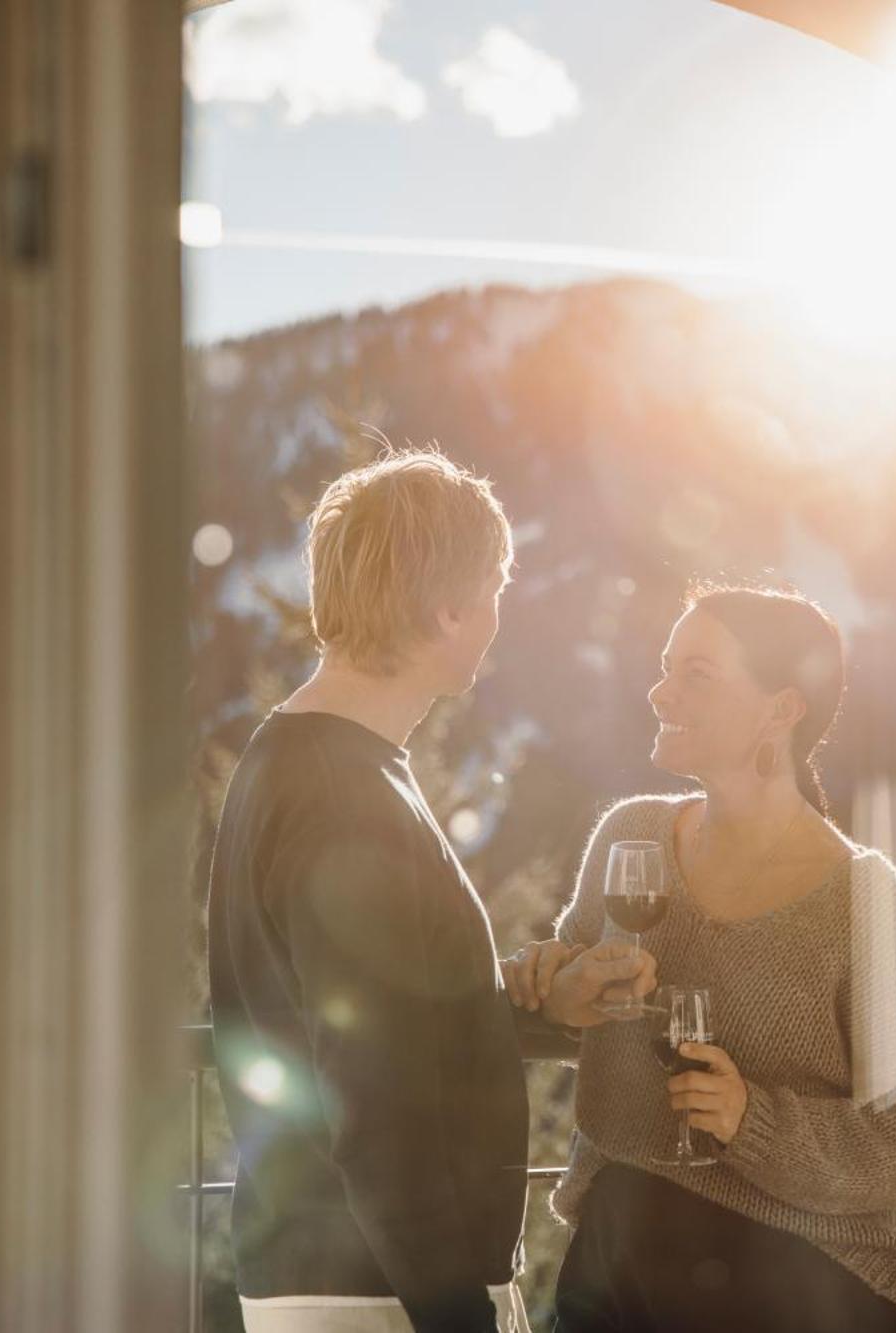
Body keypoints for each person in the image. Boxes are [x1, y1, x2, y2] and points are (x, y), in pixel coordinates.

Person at [208, 449, 654, 1333]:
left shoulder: (296, 761)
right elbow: (376, 1102)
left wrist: (531, 1010)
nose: (496, 621)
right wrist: (459, 1313)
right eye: (493, 591)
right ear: (448, 607)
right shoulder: (347, 800)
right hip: (381, 1290)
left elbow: (369, 1022)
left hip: (340, 1273)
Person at [504, 585, 896, 1332]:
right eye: (665, 667)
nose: (660, 691)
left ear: (782, 708)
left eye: (697, 673)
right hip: (615, 1259)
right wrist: (558, 994)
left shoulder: (862, 901)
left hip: (797, 1282)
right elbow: (589, 1019)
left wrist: (753, 1120)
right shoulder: (631, 841)